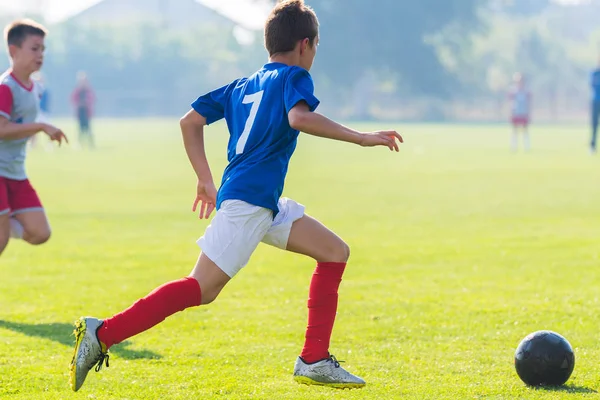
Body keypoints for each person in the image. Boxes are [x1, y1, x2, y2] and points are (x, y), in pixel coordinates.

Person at [69, 0, 403, 392]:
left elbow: (189, 121)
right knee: (201, 288)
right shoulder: (294, 76)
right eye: (315, 47)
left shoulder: (242, 85)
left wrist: (204, 179)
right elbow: (298, 117)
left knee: (334, 252)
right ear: (305, 44)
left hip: (261, 200)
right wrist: (361, 137)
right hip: (249, 203)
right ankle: (103, 333)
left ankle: (314, 358)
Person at [0, 19, 68, 257]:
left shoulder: (35, 87)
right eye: (34, 48)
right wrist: (40, 126)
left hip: (16, 172)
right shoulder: (5, 87)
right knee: (0, 240)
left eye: (43, 49)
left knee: (40, 233)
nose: (40, 54)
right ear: (13, 51)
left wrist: (45, 127)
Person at [71, 71, 95, 149]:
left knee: (88, 129)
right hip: (80, 113)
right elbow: (74, 100)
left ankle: (91, 144)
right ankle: (79, 144)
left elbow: (91, 100)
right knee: (80, 130)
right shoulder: (77, 91)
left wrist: (86, 103)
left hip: (86, 113)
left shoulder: (88, 91)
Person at [508, 73, 532, 152]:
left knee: (525, 130)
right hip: (516, 113)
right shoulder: (513, 91)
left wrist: (529, 113)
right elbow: (510, 103)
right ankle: (514, 147)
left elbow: (528, 103)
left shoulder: (526, 92)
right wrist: (510, 112)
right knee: (514, 130)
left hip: (523, 113)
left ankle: (527, 147)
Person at [590, 63, 600, 154]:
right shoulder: (595, 73)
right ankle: (592, 146)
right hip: (596, 100)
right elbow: (592, 84)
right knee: (594, 124)